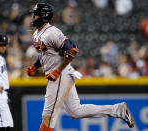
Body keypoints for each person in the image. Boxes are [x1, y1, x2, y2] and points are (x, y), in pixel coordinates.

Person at [26, 3, 134, 131]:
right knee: (75, 111)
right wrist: (35, 65)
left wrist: (58, 71)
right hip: (60, 74)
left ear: (43, 16)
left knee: (47, 116)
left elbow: (72, 50)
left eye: (35, 15)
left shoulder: (52, 32)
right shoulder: (37, 34)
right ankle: (118, 110)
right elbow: (45, 53)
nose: (33, 17)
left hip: (60, 75)